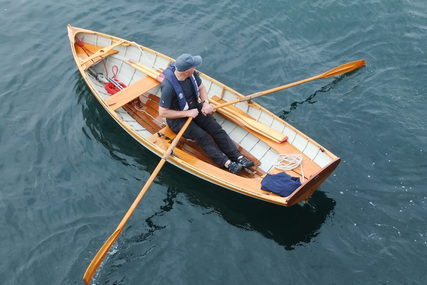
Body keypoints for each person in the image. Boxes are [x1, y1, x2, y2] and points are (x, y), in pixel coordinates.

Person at [159, 53, 254, 174]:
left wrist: (205, 103)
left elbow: (201, 88)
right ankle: (227, 163)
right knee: (202, 136)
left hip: (195, 108)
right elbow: (162, 112)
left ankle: (238, 157)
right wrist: (187, 113)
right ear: (187, 71)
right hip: (178, 119)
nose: (196, 68)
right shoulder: (168, 87)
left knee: (216, 128)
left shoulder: (192, 75)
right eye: (194, 66)